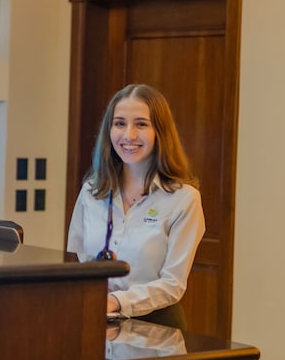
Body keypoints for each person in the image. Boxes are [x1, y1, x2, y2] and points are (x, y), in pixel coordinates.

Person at [67, 83, 206, 329]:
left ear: (160, 132)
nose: (129, 135)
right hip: (96, 321)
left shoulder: (184, 200)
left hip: (156, 327)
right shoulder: (91, 192)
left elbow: (173, 284)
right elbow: (79, 262)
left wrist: (116, 301)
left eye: (141, 124)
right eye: (120, 123)